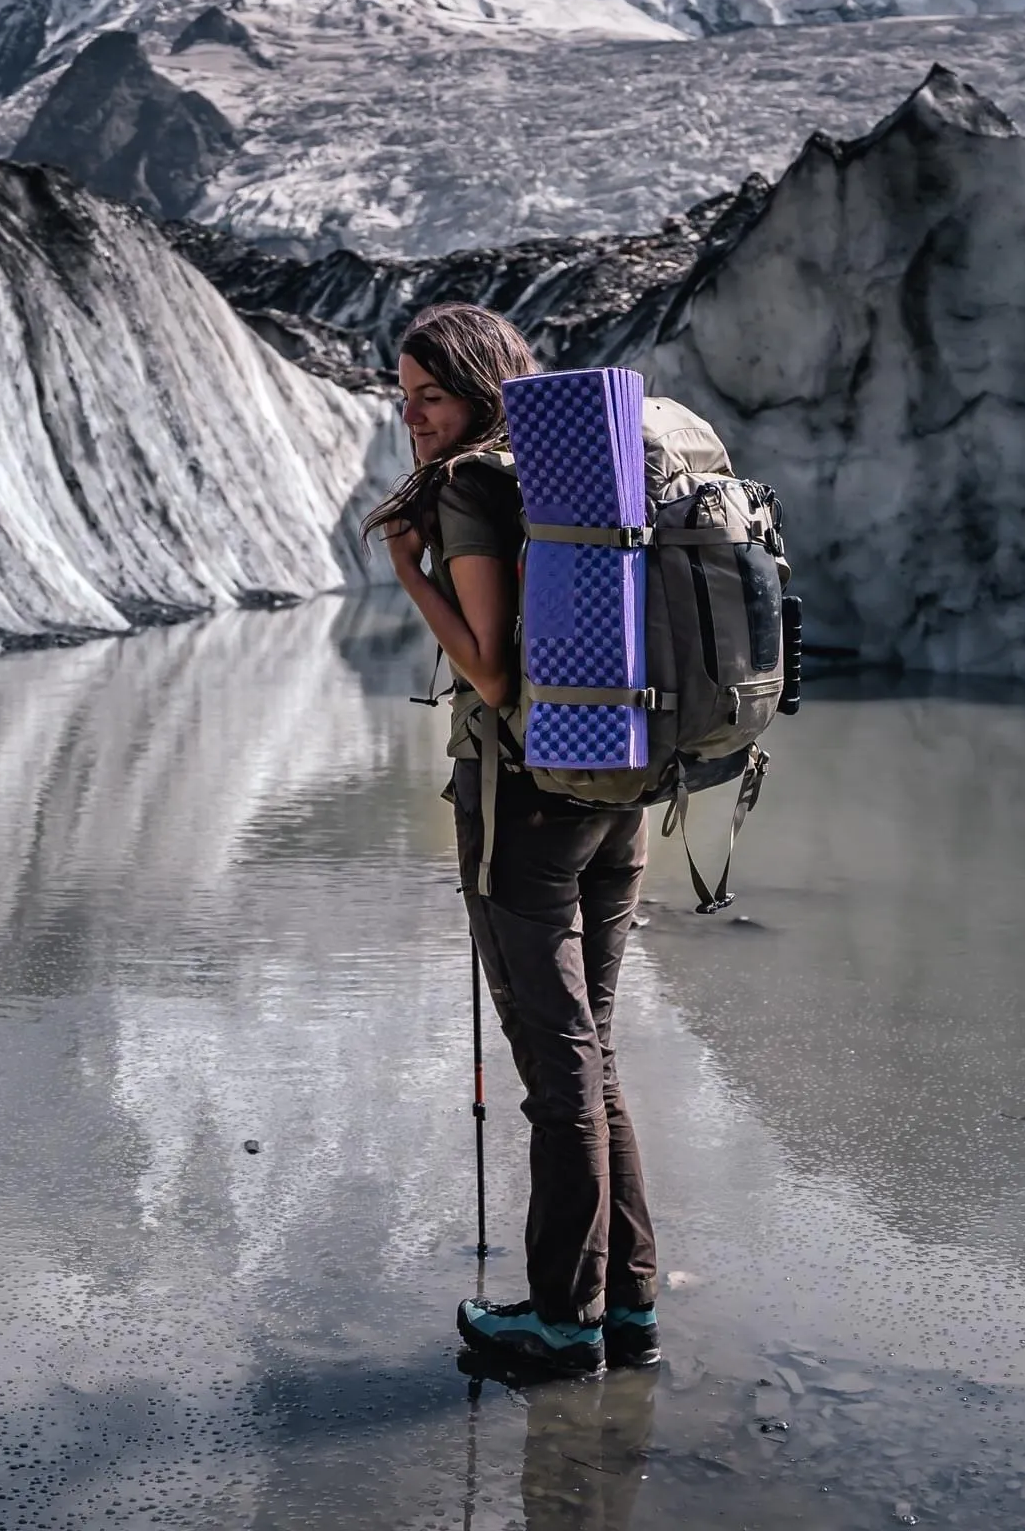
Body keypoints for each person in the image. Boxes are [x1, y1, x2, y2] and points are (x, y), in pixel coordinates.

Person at [363, 303, 660, 1380]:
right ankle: (627, 1305)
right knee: (593, 1050)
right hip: (616, 788)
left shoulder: (475, 487)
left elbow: (491, 672)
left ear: (483, 388)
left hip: (526, 809)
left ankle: (563, 1320)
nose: (414, 420)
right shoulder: (568, 474)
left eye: (432, 397)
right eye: (404, 401)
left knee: (556, 1064)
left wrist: (412, 571)